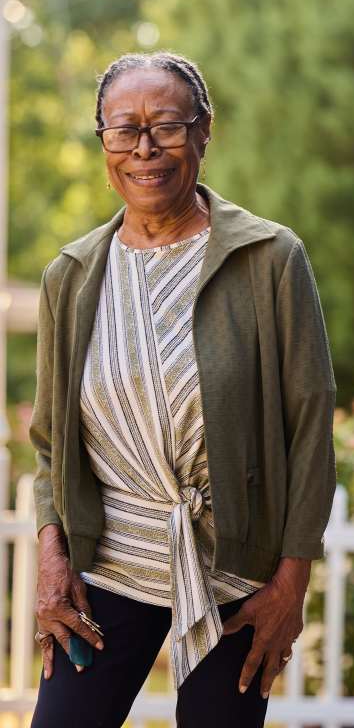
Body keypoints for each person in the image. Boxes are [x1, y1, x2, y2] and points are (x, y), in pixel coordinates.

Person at [29, 52, 336, 728]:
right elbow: (51, 440)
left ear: (204, 132)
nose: (144, 149)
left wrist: (291, 581)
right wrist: (52, 561)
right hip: (107, 565)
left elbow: (310, 426)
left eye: (167, 125)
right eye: (123, 130)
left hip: (234, 568)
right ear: (103, 139)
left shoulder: (269, 259)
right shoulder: (72, 275)